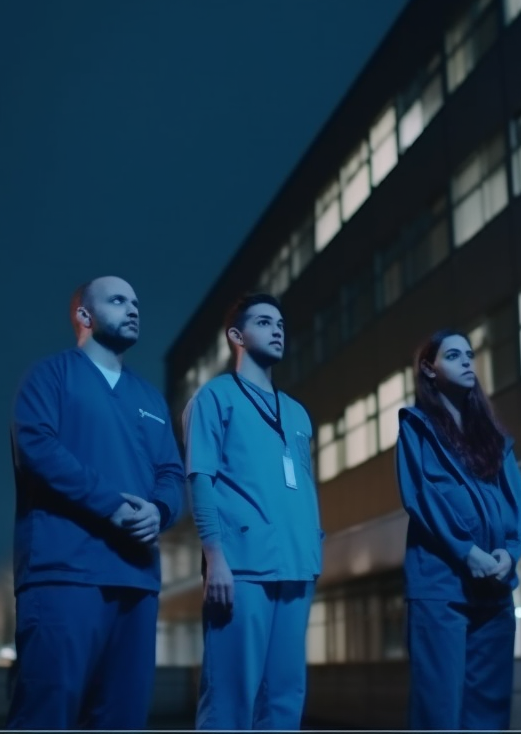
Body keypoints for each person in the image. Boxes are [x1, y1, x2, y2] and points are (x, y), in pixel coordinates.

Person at [6, 275, 186, 730]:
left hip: (137, 580)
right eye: (118, 300)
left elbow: (171, 473)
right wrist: (112, 504)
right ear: (84, 316)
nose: (133, 308)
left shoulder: (149, 398)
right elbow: (37, 449)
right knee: (47, 714)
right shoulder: (50, 376)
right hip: (66, 573)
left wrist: (160, 510)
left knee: (122, 720)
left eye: (137, 302)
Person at [182, 293, 322, 730]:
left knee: (285, 697)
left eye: (280, 323)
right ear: (236, 336)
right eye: (264, 322)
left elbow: (303, 486)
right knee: (231, 696)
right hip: (241, 566)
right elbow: (200, 477)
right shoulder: (216, 397)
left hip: (298, 567)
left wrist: (315, 546)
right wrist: (214, 556)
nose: (277, 329)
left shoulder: (298, 414)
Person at [396, 328, 521, 731]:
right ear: (429, 370)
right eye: (453, 356)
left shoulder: (494, 438)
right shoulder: (416, 427)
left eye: (469, 354)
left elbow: (516, 503)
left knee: (489, 713)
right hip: (440, 587)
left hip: (495, 588)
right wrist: (466, 551)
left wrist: (510, 552)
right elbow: (420, 496)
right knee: (439, 711)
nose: (467, 361)